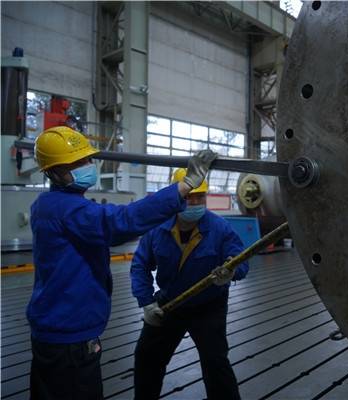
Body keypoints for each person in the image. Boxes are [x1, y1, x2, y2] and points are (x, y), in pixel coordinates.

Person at [27, 126, 217, 400]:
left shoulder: (47, 204)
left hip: (54, 327)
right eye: (76, 163)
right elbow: (121, 222)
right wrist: (184, 186)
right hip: (69, 334)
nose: (87, 166)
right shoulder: (67, 209)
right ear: (53, 172)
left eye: (87, 159)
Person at [130, 168, 249, 400]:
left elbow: (240, 259)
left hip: (209, 305)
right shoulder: (157, 229)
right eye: (189, 197)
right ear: (176, 197)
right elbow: (139, 265)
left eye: (200, 197)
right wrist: (146, 303)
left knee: (215, 362)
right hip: (170, 303)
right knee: (146, 357)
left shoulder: (219, 228)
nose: (195, 202)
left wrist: (231, 270)